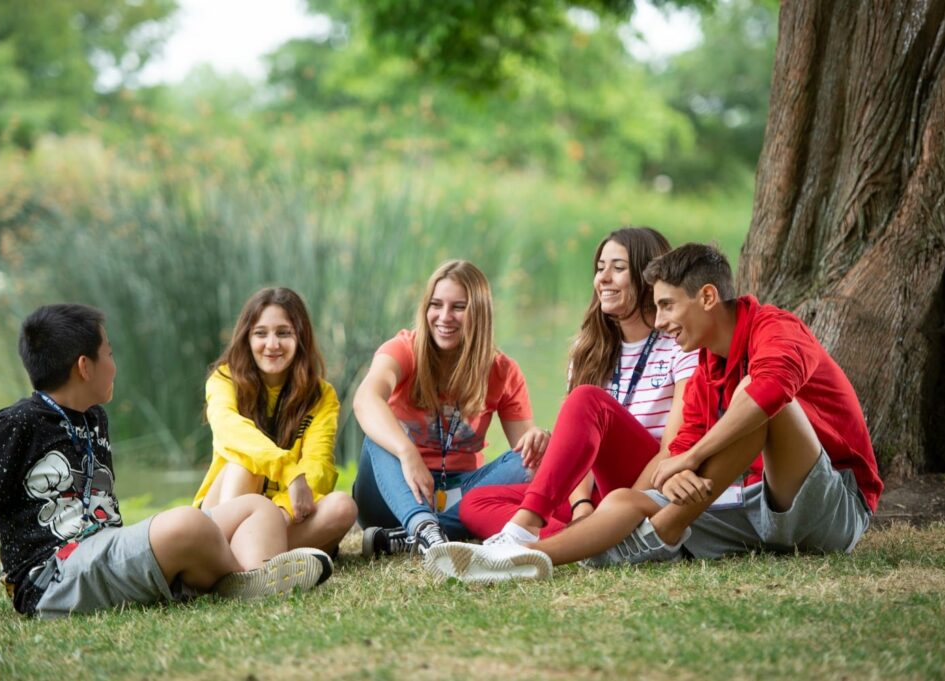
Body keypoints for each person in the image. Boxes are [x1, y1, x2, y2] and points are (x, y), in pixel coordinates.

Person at [424, 243, 883, 581]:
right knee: (626, 500)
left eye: (666, 305)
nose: (660, 320)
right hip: (749, 511)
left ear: (706, 298)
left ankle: (595, 538)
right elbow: (677, 451)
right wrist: (673, 472)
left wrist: (688, 459)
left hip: (831, 510)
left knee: (762, 401)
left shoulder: (777, 330)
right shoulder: (706, 368)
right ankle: (521, 560)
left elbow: (767, 394)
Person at [0, 304, 331, 623]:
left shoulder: (92, 417)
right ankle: (244, 578)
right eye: (109, 354)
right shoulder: (14, 425)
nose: (114, 364)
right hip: (55, 577)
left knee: (259, 508)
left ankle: (247, 578)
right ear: (84, 367)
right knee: (185, 523)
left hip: (106, 552)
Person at [456, 226, 698, 547]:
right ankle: (582, 540)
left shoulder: (680, 344)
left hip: (647, 482)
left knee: (588, 399)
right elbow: (579, 448)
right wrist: (582, 505)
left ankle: (527, 528)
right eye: (600, 269)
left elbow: (672, 447)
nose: (603, 279)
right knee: (475, 503)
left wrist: (624, 507)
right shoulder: (589, 351)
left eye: (618, 268)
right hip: (597, 493)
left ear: (648, 277)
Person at [352, 260, 550, 555]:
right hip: (391, 490)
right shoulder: (404, 348)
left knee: (534, 457)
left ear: (479, 313)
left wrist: (540, 440)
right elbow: (365, 398)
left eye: (459, 307)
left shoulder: (502, 370)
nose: (445, 317)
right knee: (379, 436)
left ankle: (413, 537)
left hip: (458, 492)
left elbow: (526, 458)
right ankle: (424, 526)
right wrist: (407, 453)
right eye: (436, 304)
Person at [193, 287, 357, 557]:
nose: (272, 345)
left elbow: (319, 465)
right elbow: (231, 431)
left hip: (285, 513)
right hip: (223, 511)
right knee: (245, 461)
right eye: (261, 333)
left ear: (300, 336)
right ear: (246, 338)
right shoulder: (224, 380)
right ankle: (226, 556)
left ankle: (246, 563)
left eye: (283, 333)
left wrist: (279, 513)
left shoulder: (321, 395)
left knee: (342, 506)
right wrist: (289, 472)